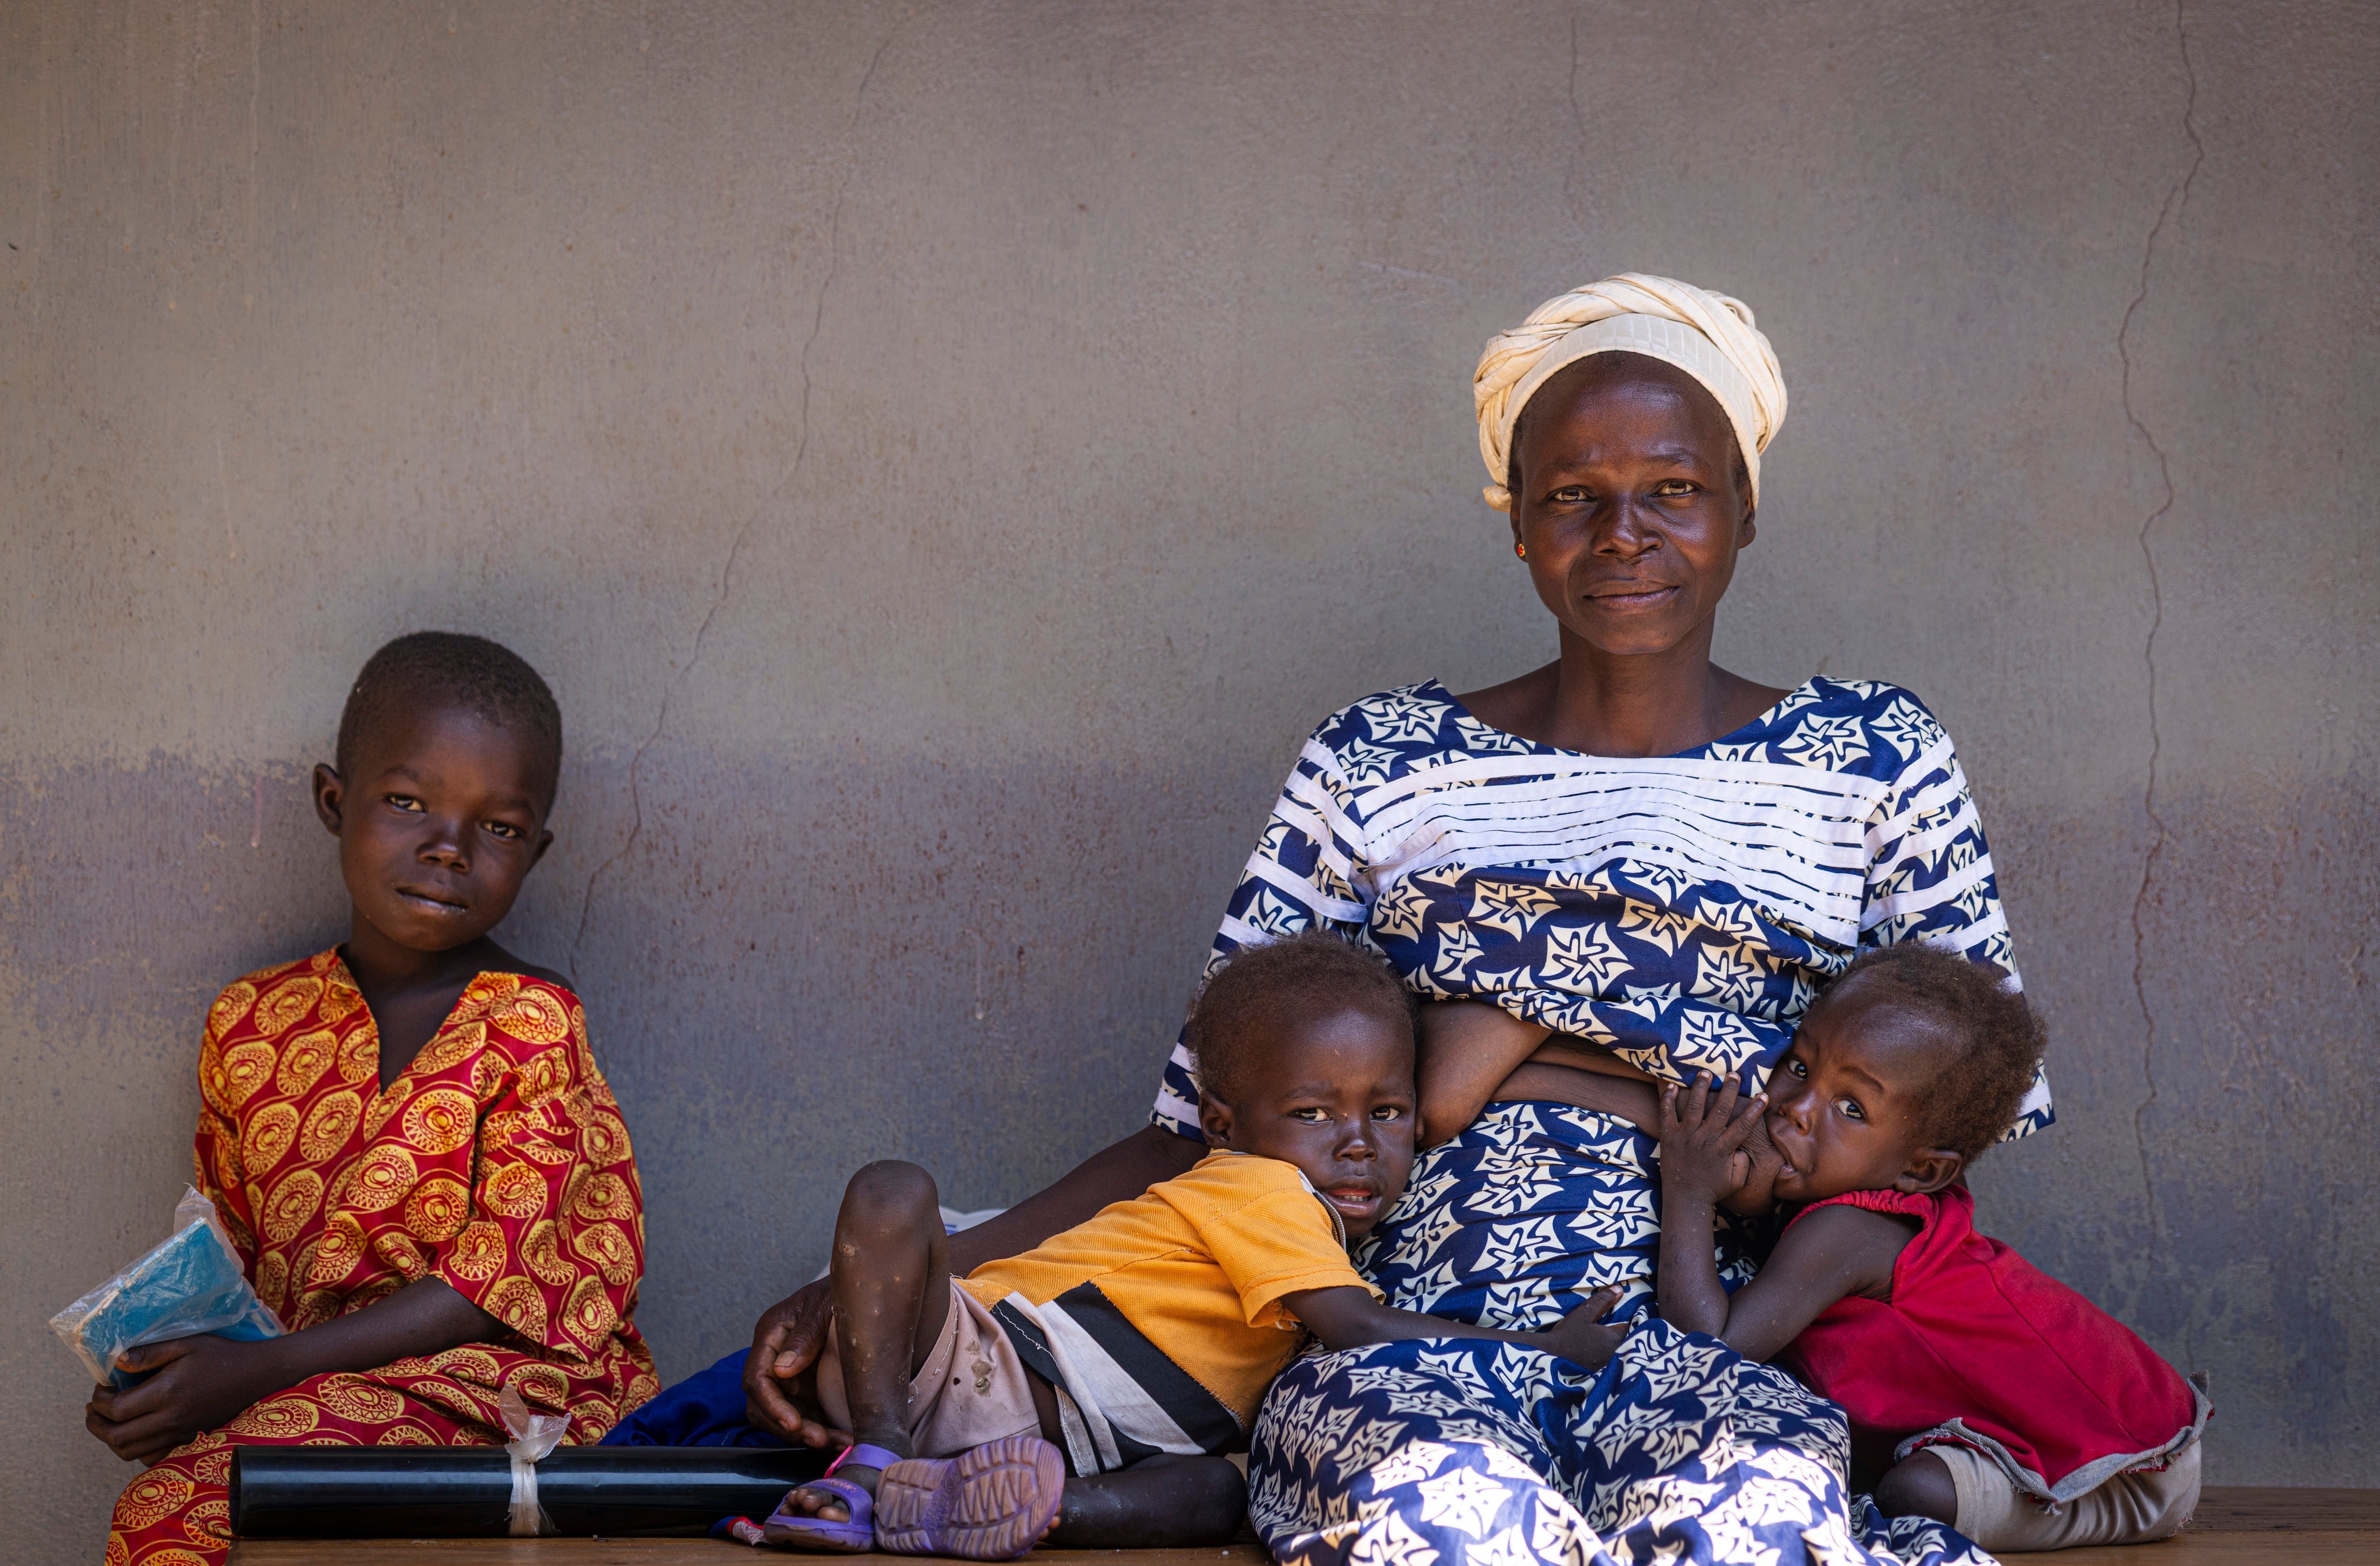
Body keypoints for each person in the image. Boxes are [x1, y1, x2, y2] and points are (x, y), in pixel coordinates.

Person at [737, 273, 2042, 1566]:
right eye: (1571, 499)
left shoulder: (1875, 757)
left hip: (1710, 1336)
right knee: (1446, 1521)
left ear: (1743, 508)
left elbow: (1945, 1118)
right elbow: (1212, 1120)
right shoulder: (1376, 760)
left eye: (1674, 491)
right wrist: (930, 1279)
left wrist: (1519, 1052)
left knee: (1744, 1521)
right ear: (1517, 526)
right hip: (1401, 1336)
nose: (1623, 534)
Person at [759, 933, 1627, 1558]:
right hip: (968, 1361)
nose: (1358, 1142)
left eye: (1388, 1111)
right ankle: (877, 1454)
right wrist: (1545, 1350)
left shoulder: (1309, 1216)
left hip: (1063, 1439)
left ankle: (970, 1506)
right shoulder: (1263, 1187)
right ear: (1224, 1126)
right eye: (1313, 1113)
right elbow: (1360, 1329)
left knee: (1225, 1489)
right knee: (893, 1189)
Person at [90, 632, 658, 1566]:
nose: (448, 849)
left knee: (170, 1516)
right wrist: (163, 1377)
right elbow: (227, 1261)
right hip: (298, 1391)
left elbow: (491, 1291)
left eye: (501, 828)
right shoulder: (251, 1021)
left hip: (497, 1397)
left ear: (538, 851)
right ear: (332, 801)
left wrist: (250, 1376)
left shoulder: (532, 1021)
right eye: (406, 802)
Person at [1655, 944, 2207, 1553]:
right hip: (2075, 1436)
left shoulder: (1848, 1231)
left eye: (1851, 1108)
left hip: (2132, 1471)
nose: (1797, 1110)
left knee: (1912, 1495)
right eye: (1801, 1067)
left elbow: (1703, 1352)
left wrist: (1687, 1189)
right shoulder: (1856, 1201)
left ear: (1919, 1171)